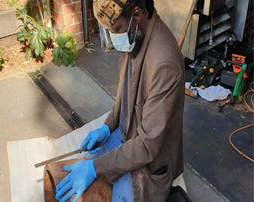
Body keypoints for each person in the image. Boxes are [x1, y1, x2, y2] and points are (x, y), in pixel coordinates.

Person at [55, 0, 185, 201]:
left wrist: (95, 168)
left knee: (100, 184)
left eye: (116, 29)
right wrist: (107, 127)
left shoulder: (164, 64)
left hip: (150, 160)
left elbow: (147, 145)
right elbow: (125, 98)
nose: (115, 37)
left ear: (137, 13)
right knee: (83, 168)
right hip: (129, 138)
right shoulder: (135, 34)